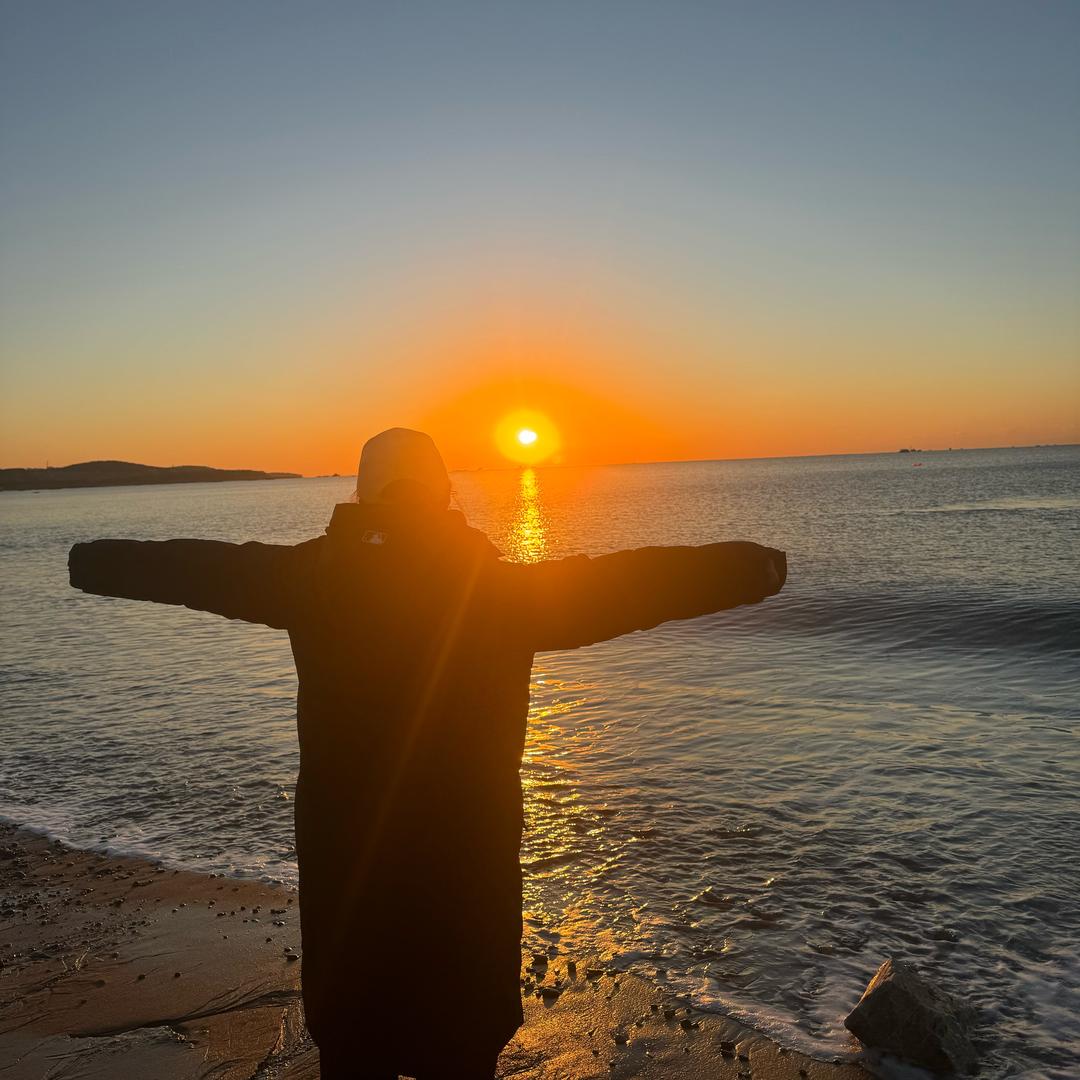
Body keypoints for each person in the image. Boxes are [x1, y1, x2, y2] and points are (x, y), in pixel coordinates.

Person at [68, 428, 787, 1079]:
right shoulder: (500, 593)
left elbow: (195, 569)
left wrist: (91, 561)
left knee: (353, 1043)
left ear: (361, 494)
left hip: (349, 864)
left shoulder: (310, 579)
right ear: (445, 494)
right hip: (465, 868)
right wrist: (749, 568)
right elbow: (626, 583)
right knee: (461, 1044)